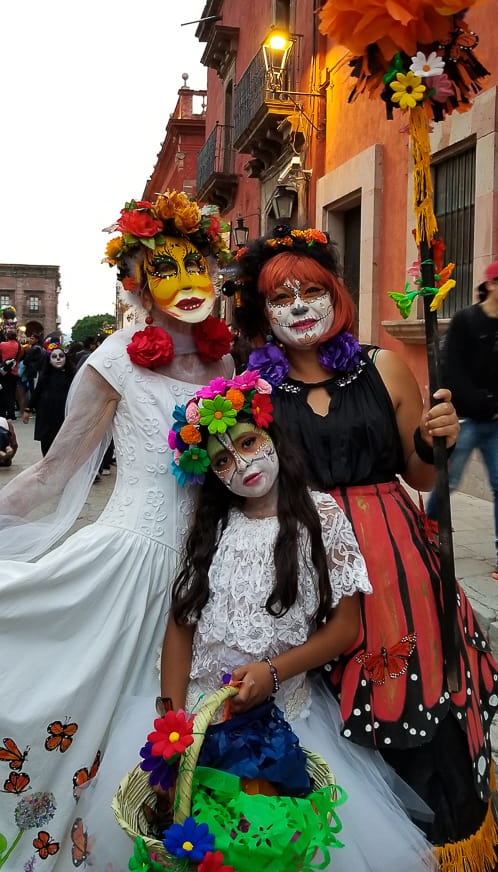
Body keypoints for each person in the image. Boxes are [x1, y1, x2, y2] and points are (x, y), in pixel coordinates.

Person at [87, 372, 435, 871]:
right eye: (223, 459)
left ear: (272, 436)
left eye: (248, 441)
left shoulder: (322, 518)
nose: (242, 463)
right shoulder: (212, 527)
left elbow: (345, 628)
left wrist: (272, 672)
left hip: (282, 725)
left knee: (269, 844)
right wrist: (172, 715)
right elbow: (181, 624)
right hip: (198, 720)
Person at [233, 225, 498, 872]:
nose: (298, 306)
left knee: (407, 685)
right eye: (281, 296)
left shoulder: (382, 366)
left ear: (337, 296)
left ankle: (439, 843)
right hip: (298, 558)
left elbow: (425, 477)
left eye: (312, 290)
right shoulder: (249, 388)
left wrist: (438, 438)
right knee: (315, 699)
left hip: (394, 561)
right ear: (261, 311)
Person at [0, 190, 233, 870]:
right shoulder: (117, 357)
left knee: (178, 740)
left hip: (209, 576)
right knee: (90, 720)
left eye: (199, 265)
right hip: (127, 567)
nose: (187, 282)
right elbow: (54, 472)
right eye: (165, 266)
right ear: (137, 281)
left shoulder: (230, 363)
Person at [426, 260, 498, 578]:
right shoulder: (466, 320)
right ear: (492, 284)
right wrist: (481, 402)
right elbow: (452, 370)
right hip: (465, 420)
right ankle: (428, 530)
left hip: (495, 422)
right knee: (447, 481)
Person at [22, 343, 74, 455]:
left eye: (61, 356)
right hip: (46, 416)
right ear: (49, 360)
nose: (58, 359)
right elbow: (36, 393)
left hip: (64, 415)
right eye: (54, 357)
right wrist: (28, 409)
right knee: (47, 444)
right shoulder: (45, 376)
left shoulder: (72, 376)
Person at [0, 327, 22, 420]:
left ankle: (4, 413)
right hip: (15, 372)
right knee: (12, 393)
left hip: (4, 372)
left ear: (7, 336)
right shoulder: (20, 346)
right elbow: (19, 358)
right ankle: (12, 413)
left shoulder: (2, 344)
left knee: (4, 392)